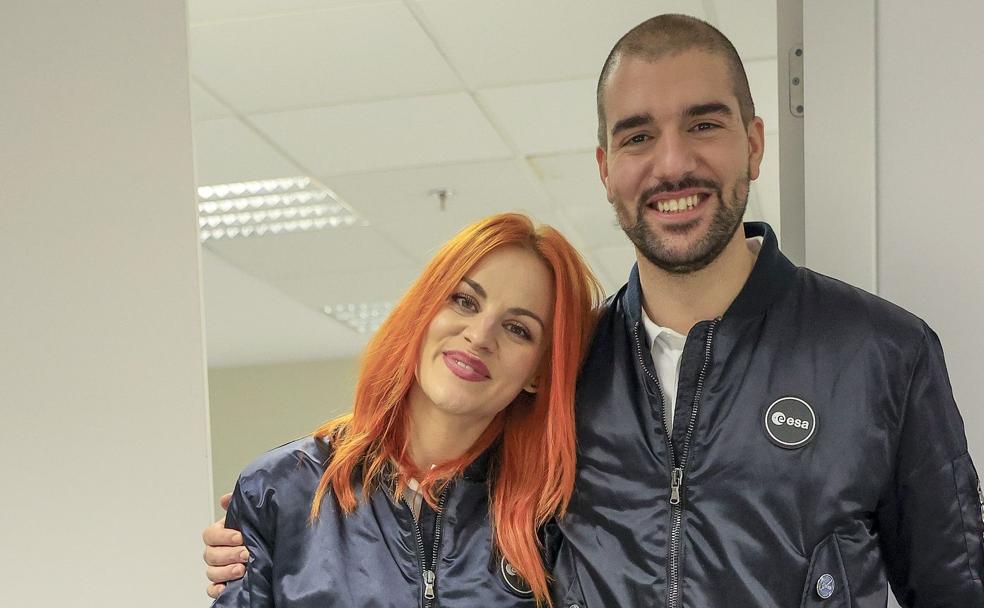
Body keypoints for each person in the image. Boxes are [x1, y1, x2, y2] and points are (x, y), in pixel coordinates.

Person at [204, 14, 984, 607]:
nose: (672, 163)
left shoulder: (883, 354)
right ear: (608, 170)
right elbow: (422, 498)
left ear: (753, 142)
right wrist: (272, 517)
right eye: (639, 136)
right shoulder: (563, 372)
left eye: (703, 124)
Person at [207, 212, 601, 607]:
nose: (479, 336)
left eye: (518, 328)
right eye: (464, 301)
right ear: (423, 312)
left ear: (539, 373)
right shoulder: (278, 491)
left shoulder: (557, 522)